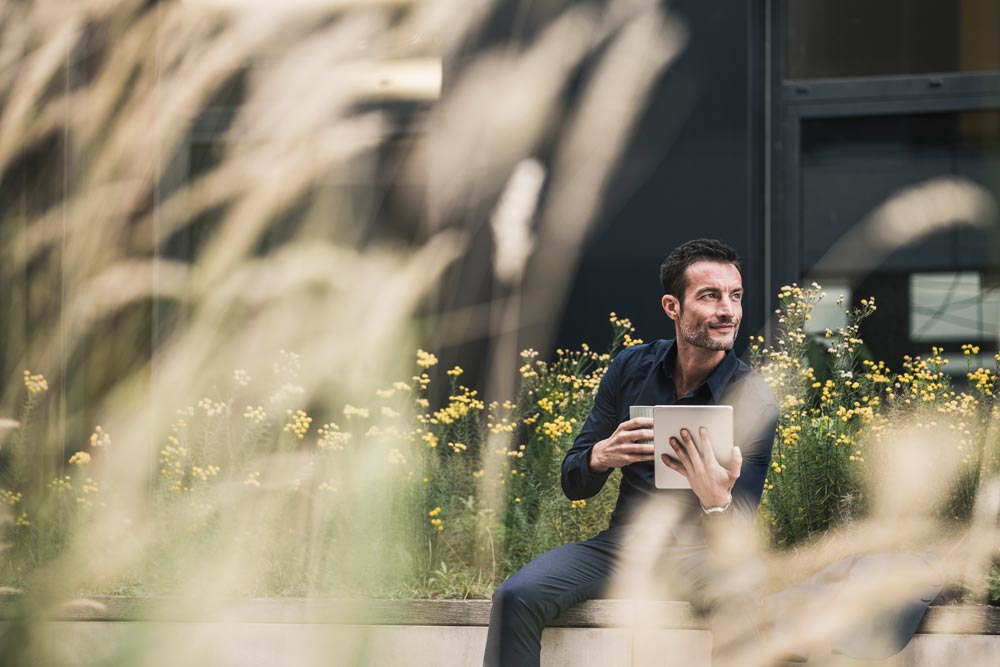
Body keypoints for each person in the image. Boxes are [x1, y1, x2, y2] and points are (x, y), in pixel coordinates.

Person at [483, 238, 780, 667]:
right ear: (672, 307)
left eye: (735, 296)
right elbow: (574, 482)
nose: (728, 311)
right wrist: (599, 456)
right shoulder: (630, 368)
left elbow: (740, 531)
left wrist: (716, 502)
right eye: (710, 296)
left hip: (706, 558)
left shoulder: (755, 400)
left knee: (740, 596)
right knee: (516, 596)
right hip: (625, 547)